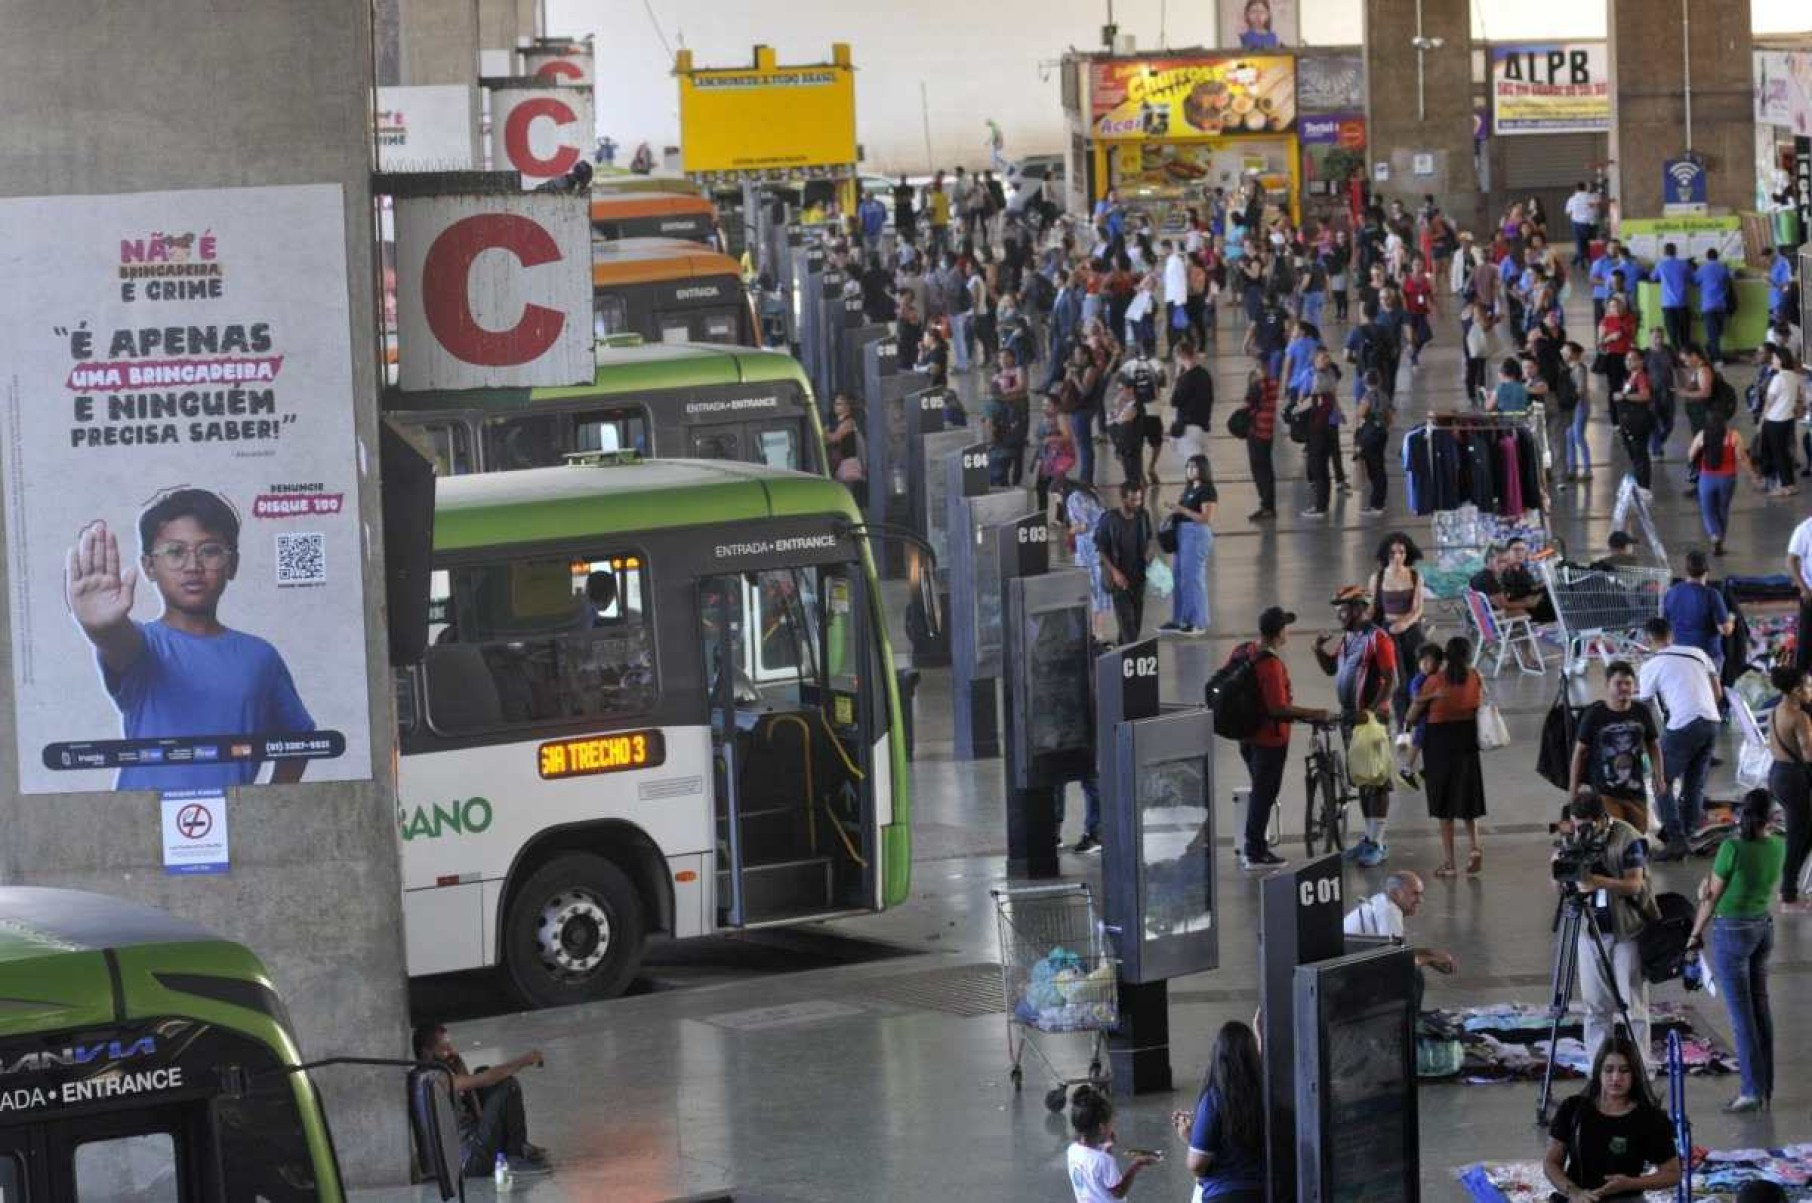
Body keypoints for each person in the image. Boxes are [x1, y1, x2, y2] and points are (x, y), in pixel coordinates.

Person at [67, 490, 314, 791]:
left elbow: (300, 737)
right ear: (148, 567)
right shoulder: (144, 646)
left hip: (229, 829)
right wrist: (101, 627)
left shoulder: (260, 657)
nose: (193, 565)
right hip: (139, 825)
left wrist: (270, 806)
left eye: (209, 551)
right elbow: (117, 641)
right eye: (174, 552)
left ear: (232, 564)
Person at [1686, 788, 1782, 1112]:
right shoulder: (1777, 846)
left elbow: (1711, 897)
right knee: (1760, 1009)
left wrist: (1695, 934)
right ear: (1769, 818)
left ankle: (1751, 1091)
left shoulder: (1731, 848)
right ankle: (1765, 1086)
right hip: (1762, 928)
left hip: (1732, 931)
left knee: (1741, 1017)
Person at [1556, 794, 1660, 1073]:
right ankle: (1598, 1068)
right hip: (1590, 931)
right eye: (1577, 826)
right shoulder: (1574, 840)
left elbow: (1635, 885)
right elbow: (1561, 881)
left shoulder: (1629, 838)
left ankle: (1641, 1070)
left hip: (1626, 929)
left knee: (1632, 1006)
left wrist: (1598, 883)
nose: (1582, 833)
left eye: (1587, 826)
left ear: (1602, 819)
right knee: (1595, 1005)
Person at [1234, 607, 1328, 869]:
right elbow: (1278, 709)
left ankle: (1255, 844)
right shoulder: (1270, 665)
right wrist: (1314, 713)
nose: (1288, 631)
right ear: (1279, 633)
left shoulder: (1244, 650)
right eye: (1285, 627)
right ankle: (1255, 851)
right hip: (1269, 741)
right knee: (1264, 794)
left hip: (1246, 736)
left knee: (1259, 792)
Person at [1314, 586, 1399, 867]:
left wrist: (1371, 713)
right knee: (1363, 780)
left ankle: (1378, 842)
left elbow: (1390, 680)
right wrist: (1318, 650)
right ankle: (1368, 837)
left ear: (1360, 608)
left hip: (1371, 722)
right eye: (1339, 607)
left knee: (1377, 782)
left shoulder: (1378, 639)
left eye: (1345, 607)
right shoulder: (1349, 638)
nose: (1340, 613)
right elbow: (1330, 669)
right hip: (1351, 718)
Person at [1542, 1034, 1681, 1202]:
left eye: (1624, 1070)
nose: (1616, 1078)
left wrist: (1630, 1183)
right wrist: (1574, 1192)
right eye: (1608, 1070)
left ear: (1634, 1074)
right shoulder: (1573, 1109)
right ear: (1598, 1072)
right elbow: (1551, 1163)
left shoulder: (1650, 1119)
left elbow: (1672, 1174)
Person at [412, 1022, 550, 1178]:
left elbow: (477, 1113)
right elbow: (485, 1079)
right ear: (426, 1053)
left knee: (482, 1070)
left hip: (471, 1146)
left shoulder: (425, 1075)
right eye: (444, 1048)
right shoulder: (435, 1079)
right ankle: (513, 1157)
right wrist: (524, 1061)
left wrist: (460, 1068)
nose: (451, 1052)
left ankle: (518, 1147)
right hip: (470, 1161)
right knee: (507, 1086)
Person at [1638, 616, 1723, 860]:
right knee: (1693, 783)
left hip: (1684, 725)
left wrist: (1650, 742)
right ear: (1671, 635)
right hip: (1711, 721)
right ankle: (1690, 832)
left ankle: (1676, 840)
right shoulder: (1697, 653)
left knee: (1659, 780)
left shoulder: (1651, 666)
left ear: (1648, 640)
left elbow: (1645, 709)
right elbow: (1716, 691)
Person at [1407, 637, 1487, 878]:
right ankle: (1474, 848)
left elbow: (1411, 716)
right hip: (1467, 741)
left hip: (1439, 742)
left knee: (1444, 806)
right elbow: (1477, 704)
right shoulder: (1475, 677)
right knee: (1468, 800)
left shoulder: (1434, 681)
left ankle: (1450, 862)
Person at [1170, 1022, 1265, 1201]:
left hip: (1224, 1193)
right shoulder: (1265, 1093)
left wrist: (1193, 1140)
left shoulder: (1215, 1099)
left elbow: (1197, 1164)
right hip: (1263, 1192)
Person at [1570, 661, 1665, 832]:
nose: (1624, 688)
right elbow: (1579, 753)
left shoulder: (1641, 711)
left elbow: (1653, 745)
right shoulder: (1595, 715)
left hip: (1635, 791)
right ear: (1607, 685)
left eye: (1628, 683)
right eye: (1618, 683)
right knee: (1617, 833)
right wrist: (1574, 791)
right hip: (1605, 792)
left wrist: (1659, 777)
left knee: (1638, 835)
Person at [1342, 871, 1458, 1010]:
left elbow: (1397, 951)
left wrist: (1429, 953)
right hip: (1349, 976)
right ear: (1396, 893)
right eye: (1415, 894)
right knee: (1413, 974)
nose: (1421, 900)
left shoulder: (1383, 902)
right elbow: (1396, 962)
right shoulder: (1389, 911)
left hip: (1352, 964)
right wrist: (1430, 959)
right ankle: (1408, 1024)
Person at [1767, 665, 1812, 909]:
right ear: (1796, 690)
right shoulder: (1800, 716)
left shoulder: (1777, 709)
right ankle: (1788, 893)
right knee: (1796, 836)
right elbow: (1808, 755)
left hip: (1777, 774)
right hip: (1793, 779)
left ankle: (1789, 888)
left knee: (1804, 832)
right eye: (1808, 686)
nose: (1811, 690)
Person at [1065, 1083, 1157, 1202]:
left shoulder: (1072, 1150)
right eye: (1111, 1124)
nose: (1113, 1128)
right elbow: (1118, 1192)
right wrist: (1136, 1165)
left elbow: (1092, 1170)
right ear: (1102, 1128)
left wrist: (1106, 1149)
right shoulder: (1104, 1161)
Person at [1369, 533, 1426, 724]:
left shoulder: (1415, 575)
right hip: (1388, 632)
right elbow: (1372, 609)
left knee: (1416, 677)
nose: (1397, 556)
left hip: (1411, 631)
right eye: (1392, 552)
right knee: (1397, 680)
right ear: (1385, 554)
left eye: (1401, 552)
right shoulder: (1377, 578)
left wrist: (1406, 623)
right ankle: (1403, 723)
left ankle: (1415, 719)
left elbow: (1418, 609)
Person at [1688, 411, 1759, 557]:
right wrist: (1753, 476)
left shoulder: (1703, 435)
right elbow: (1742, 458)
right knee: (1723, 508)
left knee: (1708, 510)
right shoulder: (1734, 436)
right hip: (1727, 478)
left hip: (1707, 477)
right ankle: (1720, 538)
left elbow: (1691, 455)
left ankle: (1715, 536)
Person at [1161, 454, 1216, 635]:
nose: (1190, 471)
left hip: (1196, 534)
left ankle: (1197, 621)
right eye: (1188, 467)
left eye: (1194, 467)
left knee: (1193, 578)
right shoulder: (1189, 489)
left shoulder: (1208, 490)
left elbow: (1206, 518)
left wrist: (1182, 509)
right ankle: (1180, 619)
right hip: (1182, 534)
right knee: (1178, 577)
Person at [1095, 480, 1153, 646]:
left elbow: (1148, 539)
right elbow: (1100, 548)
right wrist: (1114, 572)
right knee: (1129, 628)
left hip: (1139, 578)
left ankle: (1122, 654)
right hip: (1119, 582)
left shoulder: (1143, 516)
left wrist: (1149, 555)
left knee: (1134, 624)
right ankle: (1130, 657)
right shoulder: (1109, 519)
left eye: (1139, 499)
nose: (1137, 503)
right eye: (1133, 500)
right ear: (1123, 499)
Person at [1660, 548, 1733, 672]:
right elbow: (1725, 630)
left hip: (1680, 655)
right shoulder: (1712, 595)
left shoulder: (1671, 592)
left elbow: (1665, 625)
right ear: (1706, 571)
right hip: (1707, 657)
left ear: (1686, 571)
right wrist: (1731, 619)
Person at [1759, 344, 1803, 496]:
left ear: (1781, 360)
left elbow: (1769, 402)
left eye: (1774, 358)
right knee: (1783, 452)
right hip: (1787, 420)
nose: (1772, 360)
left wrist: (1761, 420)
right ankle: (1789, 484)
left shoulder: (1778, 378)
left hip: (1774, 421)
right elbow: (1798, 398)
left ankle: (1785, 485)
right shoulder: (1793, 376)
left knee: (1777, 454)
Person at [1167, 338, 1215, 463]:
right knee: (1201, 464)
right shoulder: (1205, 374)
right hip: (1203, 426)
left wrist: (1177, 377)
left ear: (1180, 356)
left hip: (1189, 429)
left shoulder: (1185, 379)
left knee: (1193, 467)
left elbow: (1173, 401)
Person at [1241, 370, 1279, 521]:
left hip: (1257, 432)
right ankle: (1269, 505)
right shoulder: (1274, 385)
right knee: (1267, 469)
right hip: (1268, 432)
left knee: (1259, 469)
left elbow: (1246, 405)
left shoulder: (1259, 387)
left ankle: (1266, 506)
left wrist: (1255, 382)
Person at [1694, 247, 1734, 366]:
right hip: (1721, 304)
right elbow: (1732, 275)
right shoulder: (1723, 267)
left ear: (1707, 257)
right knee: (1718, 332)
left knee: (1713, 334)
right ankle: (1714, 355)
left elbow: (1694, 280)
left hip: (1708, 305)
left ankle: (1715, 358)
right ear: (1717, 256)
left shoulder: (1703, 268)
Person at [1651, 242, 1694, 350]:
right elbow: (1692, 277)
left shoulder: (1660, 264)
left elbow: (1652, 277)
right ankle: (1686, 355)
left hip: (1668, 303)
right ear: (1676, 251)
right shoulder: (1684, 264)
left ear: (1664, 252)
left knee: (1672, 333)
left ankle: (1676, 357)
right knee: (1684, 333)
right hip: (1682, 303)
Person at [1791, 512, 1812, 673]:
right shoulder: (1804, 530)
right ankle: (1800, 680)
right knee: (1806, 641)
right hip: (1810, 593)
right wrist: (1804, 588)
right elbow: (1791, 560)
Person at [1565, 181, 1600, 269]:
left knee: (1580, 242)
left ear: (1576, 189)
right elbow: (1597, 206)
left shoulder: (1572, 199)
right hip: (1591, 224)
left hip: (1577, 224)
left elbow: (1568, 212)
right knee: (1589, 243)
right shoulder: (1591, 197)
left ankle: (1581, 262)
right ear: (1585, 188)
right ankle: (1589, 260)